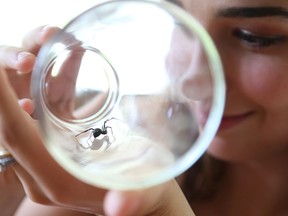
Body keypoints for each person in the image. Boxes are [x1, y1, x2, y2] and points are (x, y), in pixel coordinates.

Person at [1, 0, 288, 215]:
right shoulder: (130, 138)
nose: (192, 84)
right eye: (181, 23)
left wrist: (164, 209)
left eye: (254, 38)